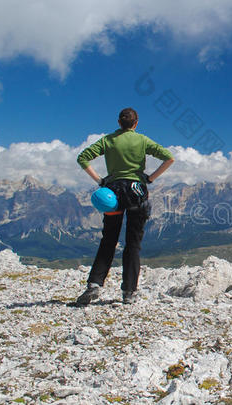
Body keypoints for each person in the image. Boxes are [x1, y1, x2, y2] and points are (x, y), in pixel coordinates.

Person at [75, 107, 174, 305]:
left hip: (112, 193)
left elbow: (82, 158)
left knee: (109, 239)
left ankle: (94, 284)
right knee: (133, 243)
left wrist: (100, 181)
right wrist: (150, 179)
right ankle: (129, 292)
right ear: (136, 124)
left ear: (119, 123)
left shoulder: (108, 140)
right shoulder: (142, 140)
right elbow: (169, 158)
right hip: (137, 190)